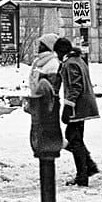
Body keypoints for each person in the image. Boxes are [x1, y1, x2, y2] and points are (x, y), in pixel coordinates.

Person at [55, 36, 100, 187]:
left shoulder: (70, 64)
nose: (57, 56)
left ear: (62, 51)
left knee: (73, 139)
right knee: (75, 138)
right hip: (84, 106)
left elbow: (75, 86)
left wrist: (68, 106)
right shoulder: (78, 60)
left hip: (78, 107)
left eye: (58, 53)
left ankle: (83, 174)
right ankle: (88, 167)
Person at [23, 34, 64, 162]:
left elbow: (52, 89)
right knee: (38, 135)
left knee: (47, 138)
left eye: (41, 45)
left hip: (46, 106)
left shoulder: (52, 64)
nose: (38, 47)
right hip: (37, 104)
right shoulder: (38, 62)